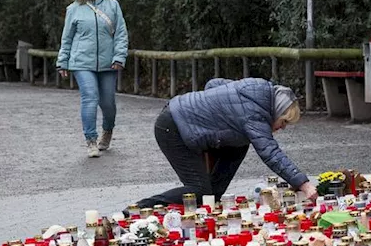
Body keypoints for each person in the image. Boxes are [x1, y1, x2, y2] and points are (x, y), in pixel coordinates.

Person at [135, 78, 317, 209]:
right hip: (172, 129)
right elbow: (271, 153)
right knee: (199, 191)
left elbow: (213, 84)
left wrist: (208, 114)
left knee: (240, 143)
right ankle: (139, 208)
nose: (282, 128)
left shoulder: (255, 90)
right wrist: (305, 185)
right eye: (284, 122)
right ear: (276, 112)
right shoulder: (254, 113)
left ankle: (212, 200)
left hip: (177, 116)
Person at [56, 0, 129, 158]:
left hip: (108, 63)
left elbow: (121, 33)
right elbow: (67, 38)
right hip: (81, 62)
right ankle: (91, 140)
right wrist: (62, 61)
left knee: (108, 103)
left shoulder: (113, 5)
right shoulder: (73, 9)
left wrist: (119, 57)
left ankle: (108, 130)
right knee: (90, 97)